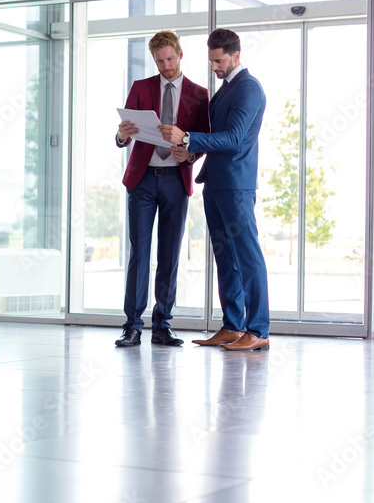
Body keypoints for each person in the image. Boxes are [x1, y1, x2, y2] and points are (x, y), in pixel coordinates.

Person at [159, 28, 270, 351]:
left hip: (236, 184)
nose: (215, 67)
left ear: (236, 55)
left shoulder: (248, 89)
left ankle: (258, 329)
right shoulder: (225, 89)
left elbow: (234, 139)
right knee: (226, 258)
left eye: (219, 61)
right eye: (211, 61)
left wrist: (187, 138)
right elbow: (215, 136)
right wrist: (191, 152)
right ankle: (233, 326)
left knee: (248, 257)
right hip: (217, 183)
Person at [114, 30, 210, 348]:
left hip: (175, 179)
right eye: (159, 61)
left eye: (170, 59)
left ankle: (162, 325)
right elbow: (124, 135)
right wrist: (120, 135)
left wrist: (190, 153)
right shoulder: (141, 88)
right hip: (141, 180)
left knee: (168, 256)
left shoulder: (198, 93)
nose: (166, 66)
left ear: (180, 54)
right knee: (139, 255)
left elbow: (203, 139)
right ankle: (132, 325)